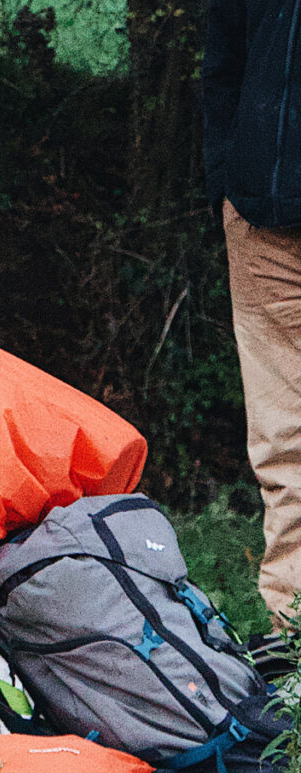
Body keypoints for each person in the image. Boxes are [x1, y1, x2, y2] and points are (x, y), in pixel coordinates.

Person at [202, 0, 301, 629]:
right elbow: (223, 65)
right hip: (264, 220)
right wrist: (229, 186)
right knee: (284, 439)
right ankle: (293, 639)